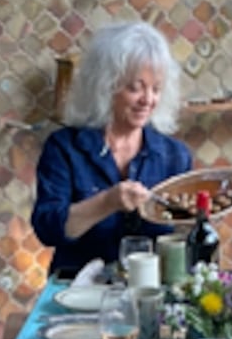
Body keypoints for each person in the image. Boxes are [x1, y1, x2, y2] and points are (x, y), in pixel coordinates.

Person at [30, 22, 193, 275]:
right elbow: (48, 230)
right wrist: (107, 201)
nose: (148, 100)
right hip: (77, 291)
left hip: (150, 292)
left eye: (156, 88)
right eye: (135, 87)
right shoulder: (64, 148)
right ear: (105, 86)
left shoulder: (174, 156)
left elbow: (184, 236)